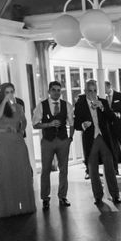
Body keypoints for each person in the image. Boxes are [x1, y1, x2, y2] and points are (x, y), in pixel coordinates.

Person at [74, 80, 121, 206]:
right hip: (90, 140)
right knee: (92, 169)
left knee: (110, 167)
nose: (93, 93)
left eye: (95, 90)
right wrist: (83, 125)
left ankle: (115, 195)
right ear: (85, 91)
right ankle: (98, 196)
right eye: (90, 90)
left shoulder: (103, 102)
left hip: (103, 138)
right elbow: (76, 123)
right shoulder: (80, 105)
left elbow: (113, 118)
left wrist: (102, 107)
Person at [0, 83, 35, 217]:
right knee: (7, 173)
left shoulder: (19, 107)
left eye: (12, 91)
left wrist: (20, 130)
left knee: (21, 172)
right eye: (7, 92)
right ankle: (8, 208)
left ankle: (23, 206)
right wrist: (5, 100)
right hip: (4, 142)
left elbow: (24, 121)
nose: (10, 93)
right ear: (2, 94)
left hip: (18, 142)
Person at [32, 80, 75, 210]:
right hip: (47, 141)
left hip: (63, 141)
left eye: (58, 90)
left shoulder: (66, 105)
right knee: (45, 170)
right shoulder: (42, 105)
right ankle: (45, 198)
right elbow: (35, 124)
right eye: (54, 90)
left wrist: (70, 138)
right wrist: (49, 124)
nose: (56, 92)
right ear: (49, 91)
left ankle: (62, 196)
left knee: (64, 170)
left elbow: (72, 123)